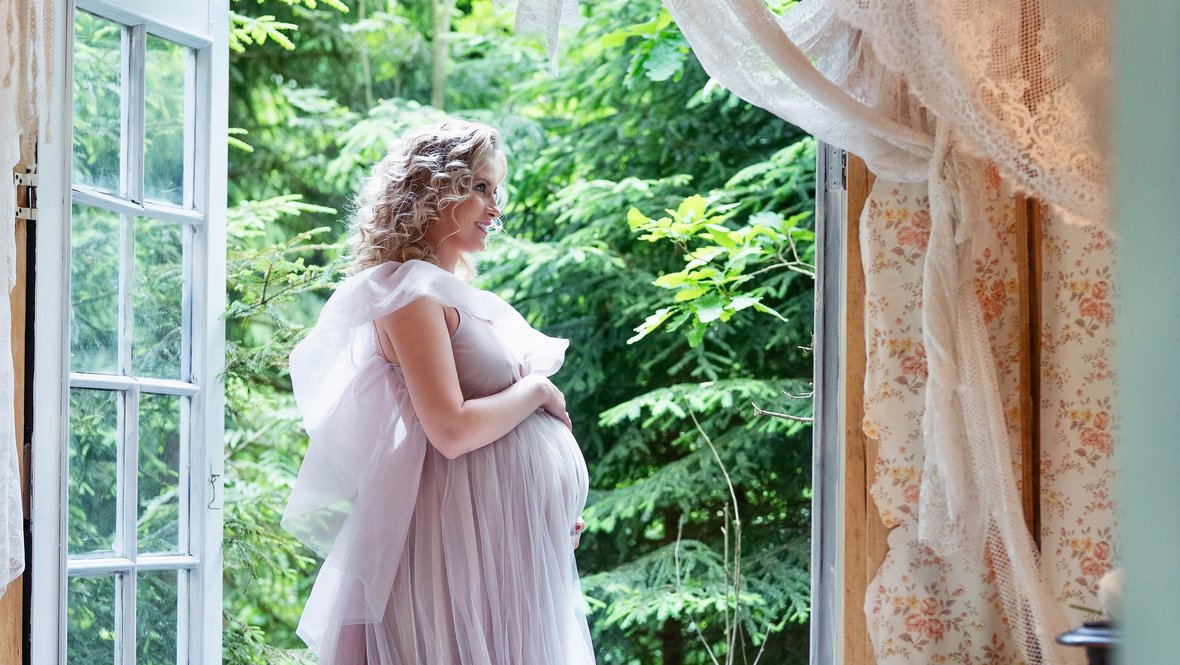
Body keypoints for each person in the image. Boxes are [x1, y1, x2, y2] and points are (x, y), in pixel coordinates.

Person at [282, 120, 595, 664]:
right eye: (480, 187)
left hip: (498, 538)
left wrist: (546, 508)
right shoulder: (408, 294)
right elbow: (450, 429)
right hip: (453, 543)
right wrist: (538, 390)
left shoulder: (446, 293)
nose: (495, 206)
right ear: (434, 190)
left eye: (496, 190)